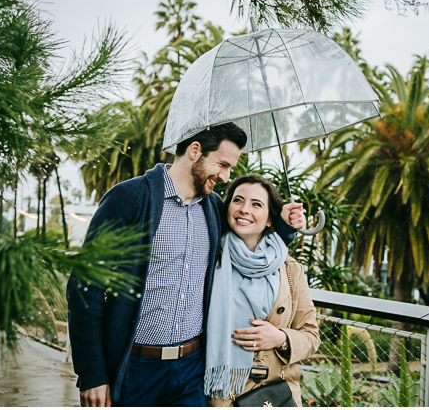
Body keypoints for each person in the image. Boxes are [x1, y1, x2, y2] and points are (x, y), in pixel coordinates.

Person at [66, 122, 305, 408]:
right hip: (135, 369)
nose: (227, 176)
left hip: (192, 371)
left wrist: (284, 224)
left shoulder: (214, 207)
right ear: (195, 151)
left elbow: (249, 241)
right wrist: (92, 374)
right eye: (223, 164)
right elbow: (85, 286)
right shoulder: (129, 198)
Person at [205, 175, 319, 408]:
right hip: (224, 394)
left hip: (275, 395)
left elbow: (311, 336)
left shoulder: (289, 269)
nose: (244, 209)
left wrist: (281, 338)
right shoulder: (210, 261)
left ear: (269, 220)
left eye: (256, 204)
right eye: (238, 200)